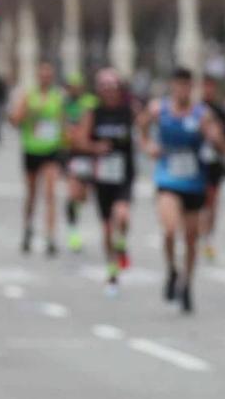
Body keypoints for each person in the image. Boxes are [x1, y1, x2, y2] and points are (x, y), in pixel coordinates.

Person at [141, 67, 225, 313]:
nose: (182, 90)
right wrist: (148, 146)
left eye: (187, 86)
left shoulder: (203, 114)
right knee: (169, 230)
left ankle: (187, 284)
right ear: (172, 87)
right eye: (178, 85)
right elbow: (141, 128)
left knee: (191, 238)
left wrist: (213, 137)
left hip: (194, 181)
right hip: (167, 178)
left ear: (192, 88)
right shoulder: (159, 110)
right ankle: (171, 269)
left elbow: (223, 146)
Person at [72, 69, 138, 299]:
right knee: (107, 227)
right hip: (102, 178)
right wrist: (95, 148)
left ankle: (122, 244)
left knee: (122, 215)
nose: (109, 93)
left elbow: (144, 128)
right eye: (105, 89)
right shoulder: (94, 113)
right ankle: (112, 271)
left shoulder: (129, 111)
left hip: (123, 174)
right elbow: (79, 140)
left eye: (113, 88)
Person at [10, 61, 68, 256]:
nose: (45, 78)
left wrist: (66, 144)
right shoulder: (28, 95)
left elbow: (63, 123)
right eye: (42, 75)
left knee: (51, 193)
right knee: (32, 193)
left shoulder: (57, 96)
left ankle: (50, 236)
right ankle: (28, 228)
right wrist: (28, 113)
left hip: (51, 150)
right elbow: (15, 120)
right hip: (32, 149)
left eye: (48, 75)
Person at [197, 74, 225, 261]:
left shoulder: (220, 111)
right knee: (195, 203)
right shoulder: (193, 109)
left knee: (211, 203)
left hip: (213, 163)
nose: (208, 91)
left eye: (211, 87)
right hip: (195, 163)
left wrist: (218, 139)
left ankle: (208, 238)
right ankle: (195, 235)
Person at [60, 72, 96, 252]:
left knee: (83, 195)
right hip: (72, 154)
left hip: (89, 154)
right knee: (73, 192)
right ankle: (73, 230)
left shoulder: (90, 102)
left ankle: (76, 212)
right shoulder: (64, 104)